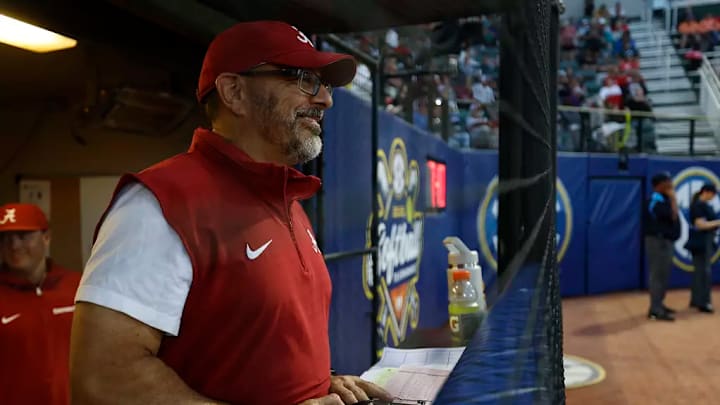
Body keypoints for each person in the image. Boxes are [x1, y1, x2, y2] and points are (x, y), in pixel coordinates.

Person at [69, 21, 393, 405]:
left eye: (323, 83)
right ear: (234, 92)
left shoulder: (286, 200)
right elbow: (102, 380)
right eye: (304, 79)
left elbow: (254, 353)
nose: (325, 99)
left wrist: (319, 383)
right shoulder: (160, 203)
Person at [0, 203, 80, 404]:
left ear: (46, 237)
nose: (14, 246)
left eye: (23, 235)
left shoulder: (78, 288)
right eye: (6, 238)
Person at [644, 172, 680, 321]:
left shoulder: (664, 199)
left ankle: (659, 303)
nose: (671, 183)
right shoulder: (655, 200)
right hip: (657, 242)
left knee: (664, 275)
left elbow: (674, 216)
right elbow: (670, 216)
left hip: (666, 241)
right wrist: (673, 197)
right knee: (657, 275)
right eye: (668, 181)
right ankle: (655, 310)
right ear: (660, 184)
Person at [685, 184, 720, 313]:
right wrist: (718, 222)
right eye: (713, 193)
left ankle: (696, 299)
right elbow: (700, 225)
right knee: (704, 272)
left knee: (699, 272)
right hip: (701, 241)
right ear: (706, 192)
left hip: (703, 241)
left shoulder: (704, 205)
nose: (714, 196)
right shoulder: (698, 205)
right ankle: (704, 302)